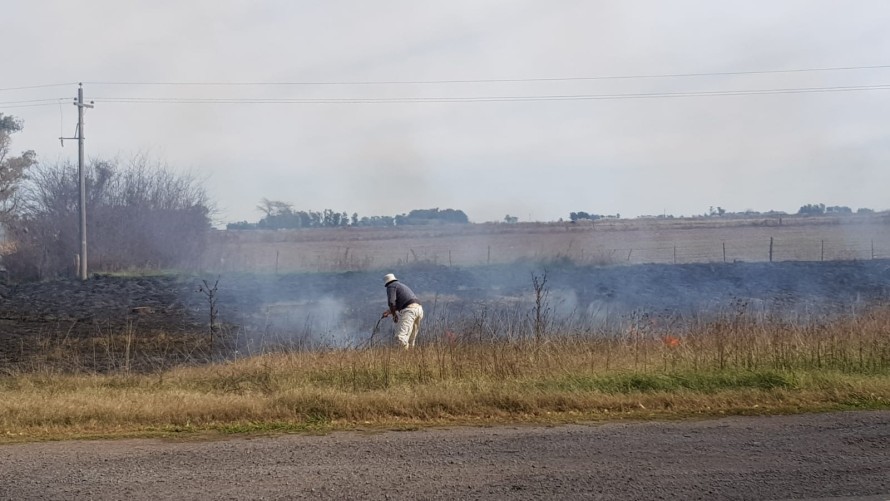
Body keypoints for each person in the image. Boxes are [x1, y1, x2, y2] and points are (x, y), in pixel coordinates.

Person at [382, 273, 424, 349]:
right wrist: (389, 312)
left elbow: (391, 302)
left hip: (410, 311)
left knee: (400, 337)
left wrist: (394, 316)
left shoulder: (391, 286)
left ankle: (404, 357)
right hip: (419, 309)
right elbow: (403, 302)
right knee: (411, 338)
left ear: (386, 283)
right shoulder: (401, 285)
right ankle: (412, 357)